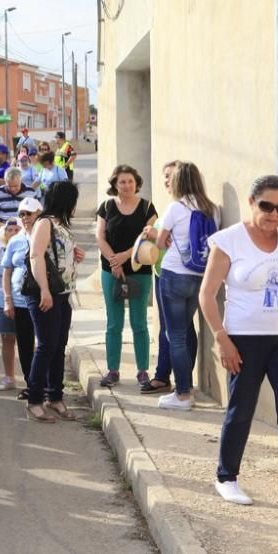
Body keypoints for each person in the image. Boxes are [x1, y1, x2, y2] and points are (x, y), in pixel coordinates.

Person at [198, 175, 278, 528]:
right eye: (266, 206)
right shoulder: (229, 241)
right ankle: (226, 477)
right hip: (244, 339)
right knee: (242, 409)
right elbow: (207, 294)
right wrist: (221, 337)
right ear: (253, 203)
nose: (272, 214)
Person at [154, 162, 219, 411]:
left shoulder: (176, 207)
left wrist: (164, 236)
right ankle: (187, 387)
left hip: (173, 275)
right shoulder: (211, 209)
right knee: (185, 330)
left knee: (176, 336)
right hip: (199, 277)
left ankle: (182, 394)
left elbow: (160, 243)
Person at [23, 181, 84, 423]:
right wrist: (45, 290)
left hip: (62, 293)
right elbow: (35, 255)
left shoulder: (61, 225)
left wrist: (75, 255)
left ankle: (55, 396)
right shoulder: (44, 222)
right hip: (45, 293)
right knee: (46, 345)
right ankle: (34, 399)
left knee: (59, 346)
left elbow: (56, 254)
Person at [95, 165, 158, 388]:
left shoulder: (147, 208)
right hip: (111, 271)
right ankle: (113, 370)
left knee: (139, 322)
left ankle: (142, 371)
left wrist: (124, 257)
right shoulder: (106, 207)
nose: (127, 185)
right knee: (114, 323)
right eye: (122, 182)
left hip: (138, 270)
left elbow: (147, 240)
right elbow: (100, 237)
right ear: (115, 184)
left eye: (130, 181)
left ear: (136, 182)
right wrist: (114, 260)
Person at [139, 161, 181, 394]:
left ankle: (173, 380)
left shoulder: (184, 209)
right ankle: (165, 375)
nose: (166, 180)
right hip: (162, 272)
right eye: (164, 176)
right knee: (168, 328)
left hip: (175, 275)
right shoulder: (172, 206)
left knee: (177, 330)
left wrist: (155, 234)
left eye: (170, 176)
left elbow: (180, 243)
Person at [2, 197, 44, 400]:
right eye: (22, 214)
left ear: (39, 214)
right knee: (25, 345)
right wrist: (8, 299)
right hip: (19, 301)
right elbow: (7, 272)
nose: (25, 218)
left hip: (41, 299)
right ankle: (31, 383)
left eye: (29, 214)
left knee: (43, 344)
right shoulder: (15, 240)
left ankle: (43, 384)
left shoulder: (46, 236)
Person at [0, 217, 21, 391]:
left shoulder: (28, 247)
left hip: (23, 301)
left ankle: (30, 377)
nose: (13, 233)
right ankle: (9, 377)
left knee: (26, 340)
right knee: (7, 338)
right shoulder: (0, 252)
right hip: (3, 302)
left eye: (17, 230)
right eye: (10, 230)